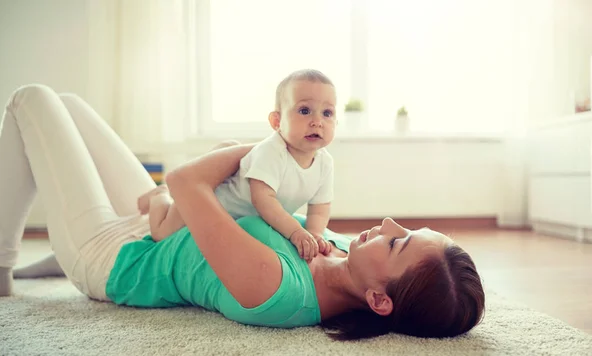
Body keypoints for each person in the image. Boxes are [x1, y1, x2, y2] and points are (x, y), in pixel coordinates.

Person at [0, 84, 485, 340]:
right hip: (158, 226)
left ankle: (3, 263)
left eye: (397, 241)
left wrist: (287, 139)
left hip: (115, 258)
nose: (387, 224)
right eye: (405, 226)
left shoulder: (278, 288)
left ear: (380, 301)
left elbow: (186, 181)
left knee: (32, 99)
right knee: (66, 104)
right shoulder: (336, 250)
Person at [139, 69, 337, 262]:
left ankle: (223, 151)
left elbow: (320, 207)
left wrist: (314, 233)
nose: (317, 121)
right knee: (161, 233)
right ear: (277, 121)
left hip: (241, 221)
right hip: (210, 200)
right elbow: (263, 200)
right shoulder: (272, 151)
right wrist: (295, 232)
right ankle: (159, 195)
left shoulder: (324, 163)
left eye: (327, 113)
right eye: (304, 110)